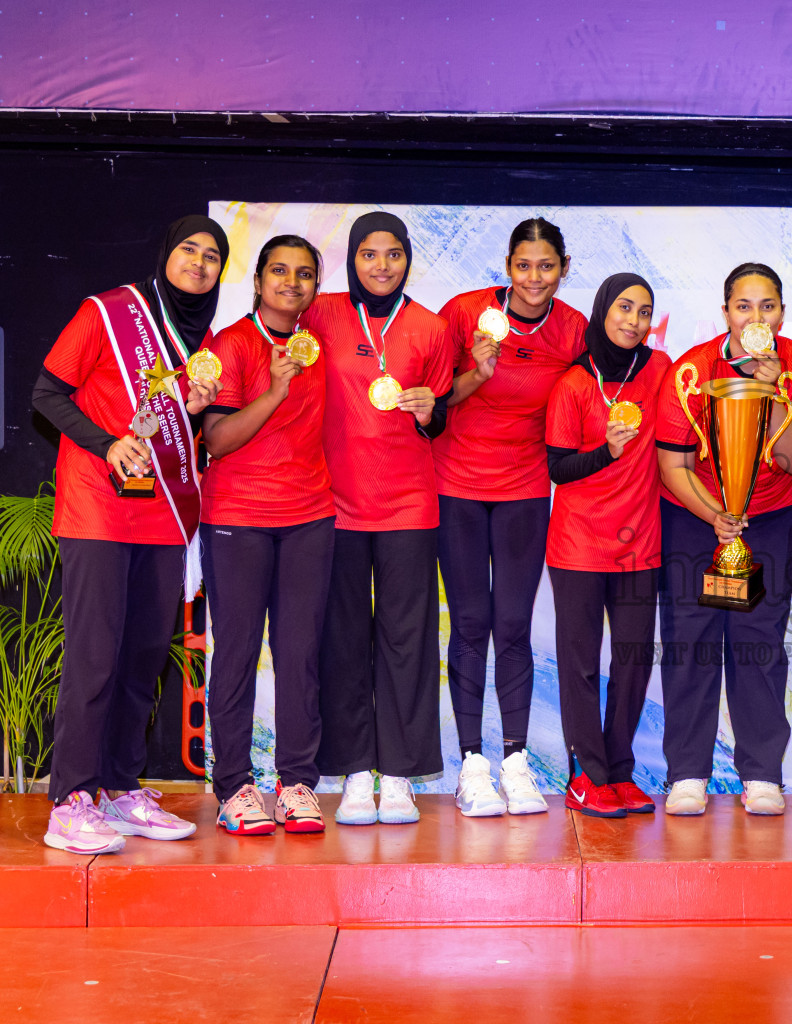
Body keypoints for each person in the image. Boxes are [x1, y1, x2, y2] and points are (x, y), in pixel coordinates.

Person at [32, 215, 226, 854]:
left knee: (143, 655)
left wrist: (194, 411)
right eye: (189, 250)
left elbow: (175, 433)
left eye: (212, 256)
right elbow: (48, 394)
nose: (199, 264)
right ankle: (71, 800)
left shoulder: (200, 343)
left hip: (163, 516)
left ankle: (117, 789)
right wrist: (107, 443)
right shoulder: (108, 313)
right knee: (96, 653)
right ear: (166, 253)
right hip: (98, 508)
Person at [655, 262, 792, 816]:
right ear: (726, 311)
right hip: (694, 517)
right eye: (744, 306)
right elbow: (672, 464)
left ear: (782, 312)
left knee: (758, 645)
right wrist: (712, 514)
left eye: (768, 306)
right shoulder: (690, 369)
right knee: (691, 644)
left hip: (768, 519)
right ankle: (687, 774)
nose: (757, 317)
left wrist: (775, 387)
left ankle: (761, 774)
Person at [301, 211, 451, 826]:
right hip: (331, 502)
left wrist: (427, 410)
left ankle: (399, 776)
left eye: (393, 254)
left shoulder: (431, 328)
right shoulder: (322, 315)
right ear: (352, 260)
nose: (381, 266)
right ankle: (355, 772)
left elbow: (441, 418)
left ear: (408, 258)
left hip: (409, 505)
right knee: (340, 641)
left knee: (407, 643)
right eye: (369, 254)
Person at [434, 217, 585, 817]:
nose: (533, 278)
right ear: (507, 264)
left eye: (546, 266)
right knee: (471, 622)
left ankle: (516, 761)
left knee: (514, 626)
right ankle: (472, 764)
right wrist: (477, 370)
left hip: (525, 489)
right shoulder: (463, 312)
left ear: (564, 269)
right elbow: (431, 407)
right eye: (523, 265)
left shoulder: (573, 329)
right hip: (457, 486)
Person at [199, 234, 333, 836]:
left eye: (304, 274)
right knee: (235, 652)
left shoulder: (320, 345)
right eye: (279, 271)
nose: (291, 283)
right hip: (238, 518)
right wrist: (276, 390)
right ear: (256, 282)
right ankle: (232, 785)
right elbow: (217, 441)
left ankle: (297, 782)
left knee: (301, 654)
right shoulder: (232, 343)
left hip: (309, 516)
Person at [545, 273, 672, 818]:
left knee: (634, 659)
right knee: (579, 664)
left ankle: (619, 771)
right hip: (577, 544)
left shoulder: (659, 370)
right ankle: (586, 775)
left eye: (645, 312)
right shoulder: (574, 383)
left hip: (639, 540)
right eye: (624, 308)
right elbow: (558, 468)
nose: (634, 321)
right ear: (602, 310)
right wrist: (608, 452)